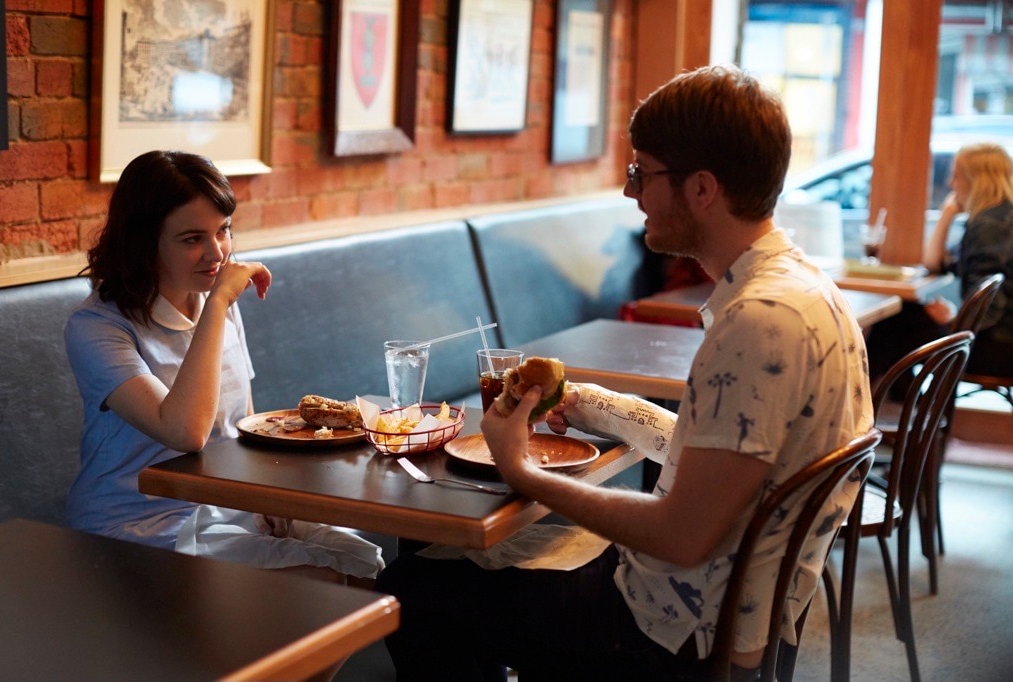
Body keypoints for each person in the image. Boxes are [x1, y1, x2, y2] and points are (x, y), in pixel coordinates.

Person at [375, 65, 873, 681]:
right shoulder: (804, 291)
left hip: (670, 636)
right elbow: (720, 457)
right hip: (734, 616)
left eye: (641, 173)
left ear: (701, 189)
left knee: (412, 586)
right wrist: (596, 404)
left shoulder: (758, 322)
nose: (629, 192)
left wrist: (521, 471)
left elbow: (681, 536)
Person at [65, 150, 383, 582]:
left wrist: (265, 495)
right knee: (319, 579)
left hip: (221, 502)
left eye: (224, 230)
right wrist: (217, 305)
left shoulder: (216, 302)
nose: (217, 253)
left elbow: (244, 424)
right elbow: (186, 431)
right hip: (135, 523)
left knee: (358, 558)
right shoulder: (97, 327)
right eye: (192, 238)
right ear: (145, 242)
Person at [867, 142, 1013, 384]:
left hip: (995, 348)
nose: (950, 184)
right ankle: (907, 412)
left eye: (956, 176)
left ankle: (869, 406)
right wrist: (946, 215)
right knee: (903, 320)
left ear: (976, 181)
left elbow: (991, 305)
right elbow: (934, 263)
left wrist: (953, 320)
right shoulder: (998, 220)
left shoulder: (988, 227)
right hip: (1001, 343)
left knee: (895, 323)